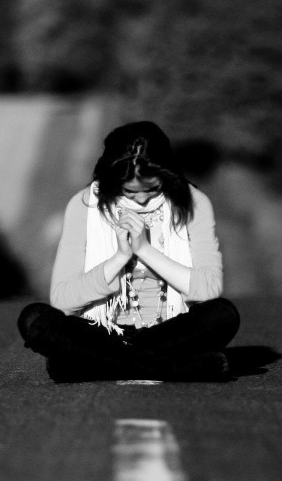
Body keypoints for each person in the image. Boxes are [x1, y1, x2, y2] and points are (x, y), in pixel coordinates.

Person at [17, 121, 240, 381]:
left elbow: (208, 288)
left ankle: (87, 362)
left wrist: (144, 250)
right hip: (102, 331)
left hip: (168, 331)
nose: (142, 199)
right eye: (130, 192)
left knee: (223, 314)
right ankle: (177, 368)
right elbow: (63, 299)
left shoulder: (194, 204)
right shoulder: (83, 207)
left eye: (154, 189)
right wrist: (119, 258)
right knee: (33, 318)